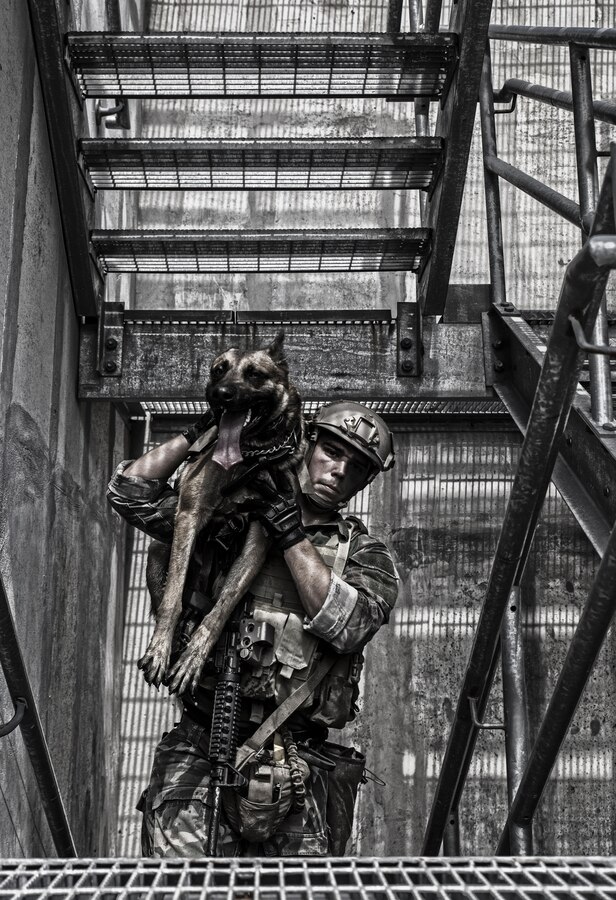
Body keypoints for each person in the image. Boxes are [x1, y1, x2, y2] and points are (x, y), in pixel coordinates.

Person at [107, 401, 399, 857]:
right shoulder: (230, 515)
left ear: (366, 479)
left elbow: (350, 626)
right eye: (331, 451)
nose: (339, 470)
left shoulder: (364, 553)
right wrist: (206, 430)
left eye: (357, 466)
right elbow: (130, 492)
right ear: (306, 443)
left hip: (298, 766)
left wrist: (290, 536)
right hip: (200, 746)